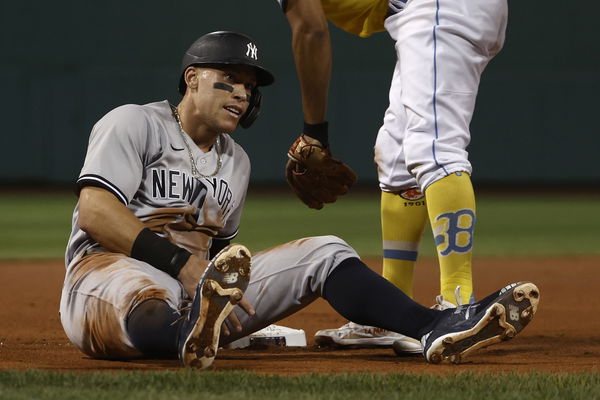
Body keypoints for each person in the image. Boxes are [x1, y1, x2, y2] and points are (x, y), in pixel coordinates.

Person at [59, 31, 537, 369]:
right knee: (146, 293)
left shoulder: (236, 161)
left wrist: (223, 291)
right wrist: (180, 264)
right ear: (192, 79)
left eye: (249, 87)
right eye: (228, 78)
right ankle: (185, 331)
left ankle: (434, 325)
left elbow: (224, 254)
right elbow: (95, 211)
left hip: (194, 290)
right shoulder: (134, 123)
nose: (242, 94)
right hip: (106, 273)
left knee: (326, 251)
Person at [276, 0, 508, 351]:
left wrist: (314, 132)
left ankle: (459, 307)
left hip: (440, 6)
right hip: (424, 11)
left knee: (434, 148)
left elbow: (311, 29)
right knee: (397, 157)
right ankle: (390, 313)